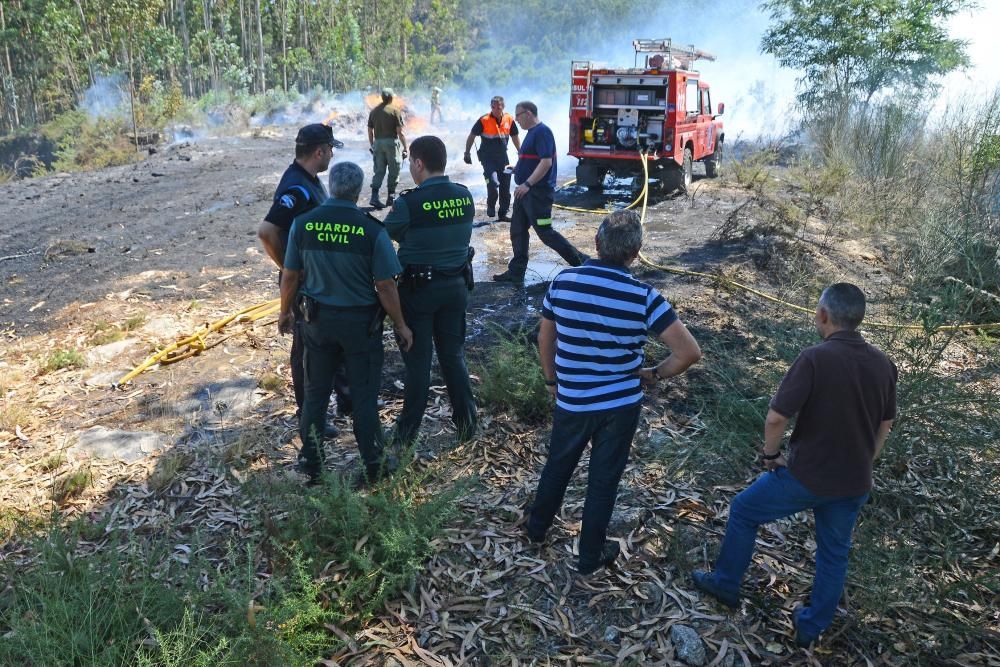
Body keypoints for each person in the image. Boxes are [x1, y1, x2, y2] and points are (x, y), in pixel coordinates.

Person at [691, 283, 897, 648]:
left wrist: (771, 456)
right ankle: (811, 625)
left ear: (823, 315)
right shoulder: (883, 364)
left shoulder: (815, 358)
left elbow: (776, 417)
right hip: (854, 483)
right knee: (834, 554)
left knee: (743, 510)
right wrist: (866, 461)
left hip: (807, 477)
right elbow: (885, 425)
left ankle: (725, 583)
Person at [525, 210, 701, 575]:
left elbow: (546, 336)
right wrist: (653, 373)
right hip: (620, 405)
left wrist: (552, 380)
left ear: (596, 244)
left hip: (572, 398)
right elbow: (688, 352)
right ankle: (589, 555)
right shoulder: (644, 296)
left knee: (559, 463)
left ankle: (537, 529)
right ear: (634, 253)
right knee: (604, 479)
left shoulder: (564, 281)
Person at [278, 161, 414, 486]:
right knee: (364, 396)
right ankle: (374, 465)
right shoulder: (371, 230)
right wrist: (400, 324)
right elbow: (385, 285)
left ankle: (311, 463)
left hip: (317, 323)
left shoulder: (303, 224)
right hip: (360, 327)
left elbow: (291, 275)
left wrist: (285, 312)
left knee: (315, 395)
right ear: (358, 191)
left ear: (332, 186)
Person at [384, 136, 478, 446]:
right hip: (456, 289)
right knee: (453, 356)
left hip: (418, 293)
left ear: (419, 163)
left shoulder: (409, 203)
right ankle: (467, 424)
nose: (411, 168)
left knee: (418, 365)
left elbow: (385, 238)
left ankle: (405, 437)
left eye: (411, 162)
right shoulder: (464, 197)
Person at [257, 123, 349, 435]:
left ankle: (327, 407)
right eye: (330, 149)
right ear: (319, 151)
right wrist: (290, 269)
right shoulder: (296, 188)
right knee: (306, 352)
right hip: (304, 285)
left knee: (321, 345)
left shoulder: (309, 180)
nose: (332, 155)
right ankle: (310, 420)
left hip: (315, 281)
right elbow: (267, 231)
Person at [493, 101, 589, 284]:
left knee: (545, 233)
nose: (516, 121)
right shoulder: (531, 134)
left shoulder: (542, 132)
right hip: (524, 193)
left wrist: (527, 183)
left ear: (528, 113)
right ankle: (516, 272)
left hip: (537, 194)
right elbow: (535, 160)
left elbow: (546, 163)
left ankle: (582, 263)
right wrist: (518, 169)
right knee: (518, 230)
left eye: (518, 116)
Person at [463, 95, 521, 221]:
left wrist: (520, 152)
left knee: (505, 185)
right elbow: (472, 136)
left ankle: (503, 213)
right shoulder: (484, 120)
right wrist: (467, 153)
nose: (496, 109)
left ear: (503, 107)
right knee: (494, 183)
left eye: (499, 107)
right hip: (487, 158)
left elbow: (515, 136)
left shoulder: (509, 119)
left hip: (502, 157)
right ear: (491, 107)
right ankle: (491, 205)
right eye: (493, 107)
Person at [367, 88, 408, 210]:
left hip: (378, 144)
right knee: (394, 168)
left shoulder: (374, 111)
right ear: (391, 98)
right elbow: (400, 133)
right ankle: (391, 196)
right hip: (391, 143)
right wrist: (405, 147)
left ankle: (374, 196)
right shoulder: (395, 111)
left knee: (379, 170)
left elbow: (370, 130)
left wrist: (372, 145)